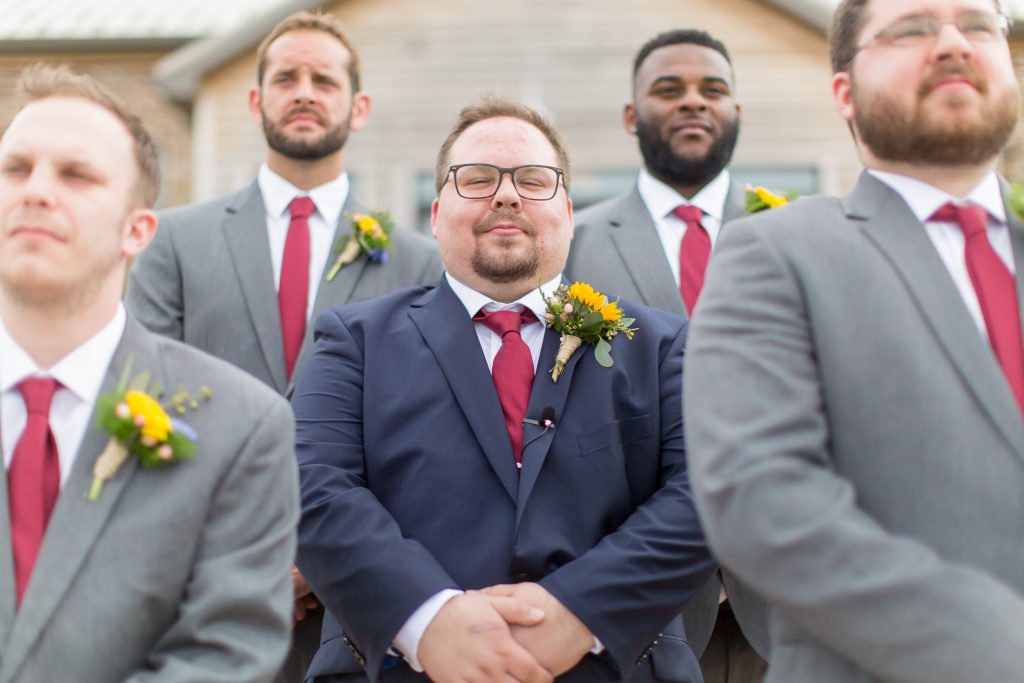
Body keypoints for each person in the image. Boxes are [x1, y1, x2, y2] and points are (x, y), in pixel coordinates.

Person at [292, 96, 717, 683]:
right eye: (478, 179)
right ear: (436, 212)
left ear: (567, 212)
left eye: (534, 180)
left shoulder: (664, 346)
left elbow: (705, 491)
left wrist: (579, 612)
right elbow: (311, 486)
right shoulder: (353, 341)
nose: (507, 194)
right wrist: (429, 620)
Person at [685, 1, 1024, 681]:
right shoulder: (775, 252)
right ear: (845, 91)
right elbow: (763, 499)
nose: (953, 44)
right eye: (913, 29)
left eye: (978, 26)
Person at [124, 12, 441, 681]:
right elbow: (140, 400)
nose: (304, 90)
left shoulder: (419, 264)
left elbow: (423, 439)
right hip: (201, 592)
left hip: (361, 613)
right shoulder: (174, 243)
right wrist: (242, 552)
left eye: (324, 79)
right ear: (254, 99)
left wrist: (324, 558)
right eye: (286, 77)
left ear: (357, 107)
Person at [0, 64, 297, 683]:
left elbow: (224, 656)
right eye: (15, 169)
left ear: (136, 231)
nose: (35, 191)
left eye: (76, 175)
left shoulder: (242, 428)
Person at [565, 29, 768, 682]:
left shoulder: (794, 236)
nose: (692, 103)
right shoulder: (571, 244)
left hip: (788, 593)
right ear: (631, 115)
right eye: (667, 89)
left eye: (713, 90)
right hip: (635, 602)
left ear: (737, 109)